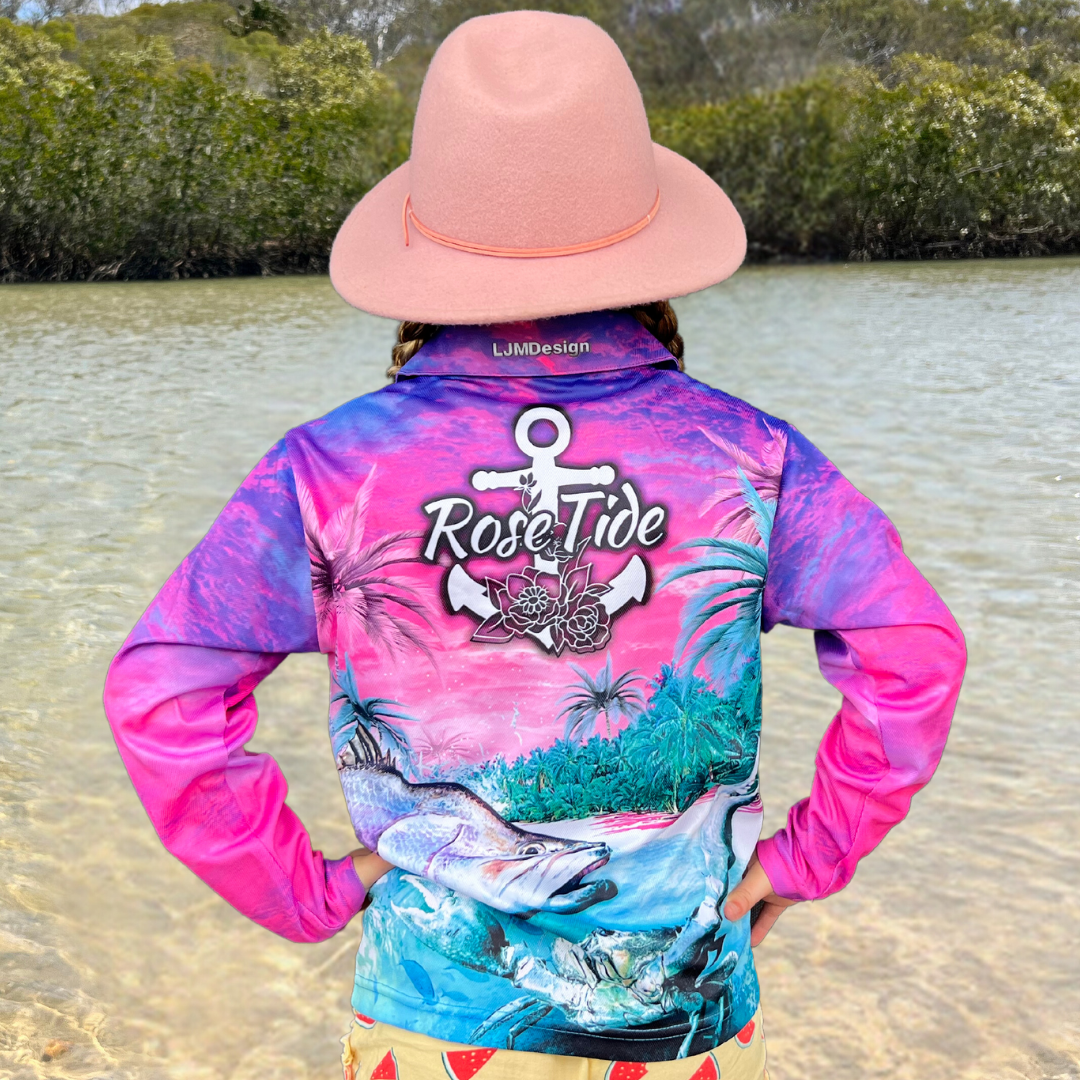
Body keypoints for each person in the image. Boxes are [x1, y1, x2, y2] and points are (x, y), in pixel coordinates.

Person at [103, 11, 966, 1080]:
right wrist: (801, 860)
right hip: (689, 1022)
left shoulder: (328, 471)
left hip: (433, 1026)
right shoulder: (752, 457)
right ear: (648, 245)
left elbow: (161, 700)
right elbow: (915, 653)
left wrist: (309, 889)